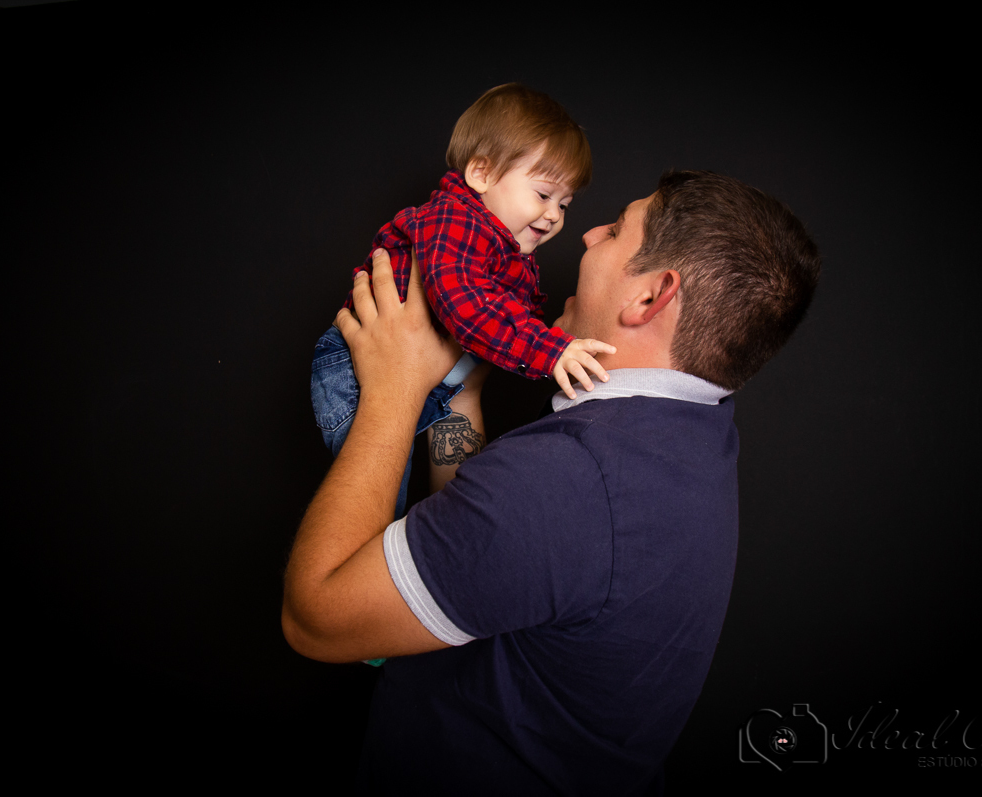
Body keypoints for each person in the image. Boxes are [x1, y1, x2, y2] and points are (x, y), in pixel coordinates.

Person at [283, 170, 821, 794]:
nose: (586, 232)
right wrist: (460, 398)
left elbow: (316, 620)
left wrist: (395, 388)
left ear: (650, 297)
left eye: (617, 230)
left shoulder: (571, 482)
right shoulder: (688, 427)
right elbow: (475, 542)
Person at [310, 84, 614, 524]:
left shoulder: (505, 248)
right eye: (544, 194)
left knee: (452, 513)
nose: (553, 216)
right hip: (355, 370)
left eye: (564, 205)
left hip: (430, 374)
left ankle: (446, 540)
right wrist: (550, 350)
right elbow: (464, 305)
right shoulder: (455, 219)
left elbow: (493, 322)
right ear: (482, 174)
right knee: (373, 511)